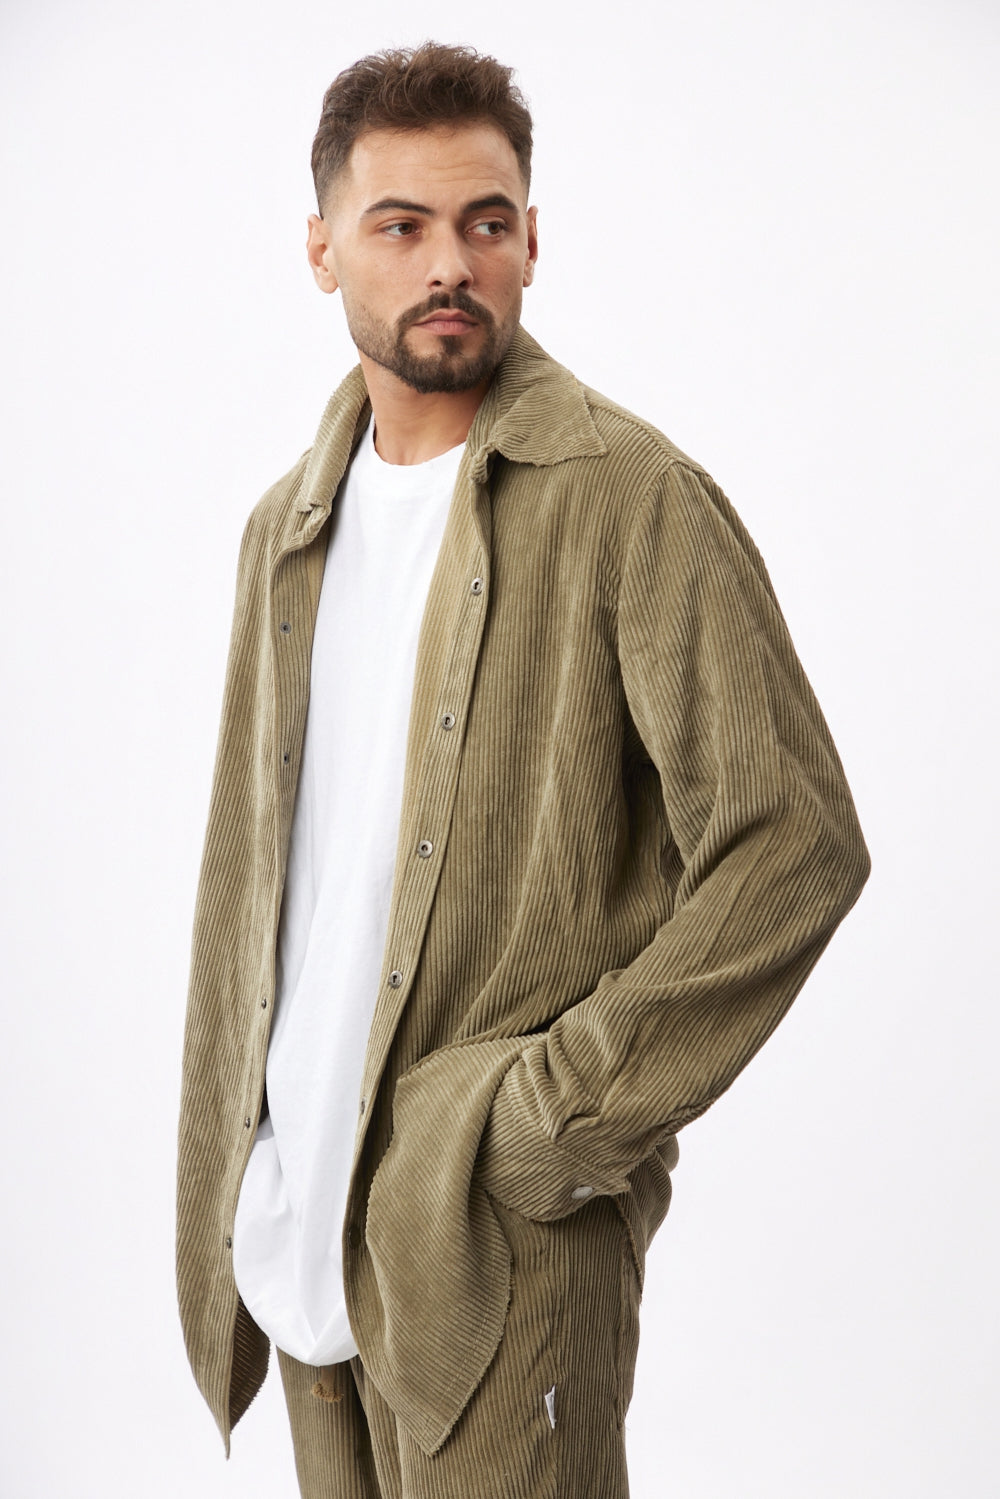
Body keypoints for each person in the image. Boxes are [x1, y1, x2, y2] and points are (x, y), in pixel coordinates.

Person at [176, 41, 870, 1499]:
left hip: (490, 1237)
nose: (451, 263)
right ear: (322, 250)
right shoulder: (283, 535)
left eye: (485, 222)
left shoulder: (630, 500)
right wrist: (246, 1166)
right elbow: (255, 882)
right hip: (300, 1231)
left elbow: (793, 841)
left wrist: (550, 1117)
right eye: (402, 225)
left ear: (533, 239)